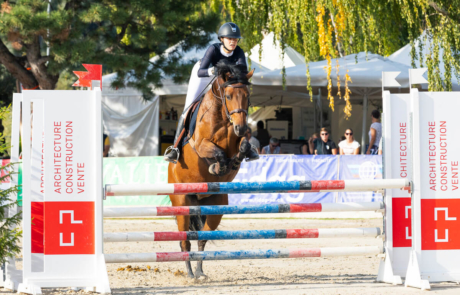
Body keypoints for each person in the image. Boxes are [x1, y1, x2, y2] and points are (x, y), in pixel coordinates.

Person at [164, 22, 258, 162]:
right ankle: (175, 148)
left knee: (238, 102)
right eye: (229, 39)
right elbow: (201, 72)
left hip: (224, 80)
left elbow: (241, 74)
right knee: (188, 108)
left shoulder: (238, 52)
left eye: (235, 39)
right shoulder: (213, 49)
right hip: (204, 75)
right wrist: (213, 70)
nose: (233, 42)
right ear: (222, 39)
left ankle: (246, 147)